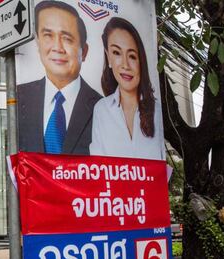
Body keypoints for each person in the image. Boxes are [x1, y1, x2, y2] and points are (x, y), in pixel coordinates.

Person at [17, 0, 102, 155]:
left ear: (84, 51)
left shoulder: (102, 108)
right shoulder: (18, 97)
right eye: (48, 35)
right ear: (38, 42)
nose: (57, 47)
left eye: (67, 38)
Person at [89, 17, 164, 160]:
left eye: (132, 56)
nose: (125, 65)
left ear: (141, 60)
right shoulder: (101, 110)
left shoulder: (156, 110)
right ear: (108, 57)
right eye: (116, 53)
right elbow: (98, 165)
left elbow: (160, 165)